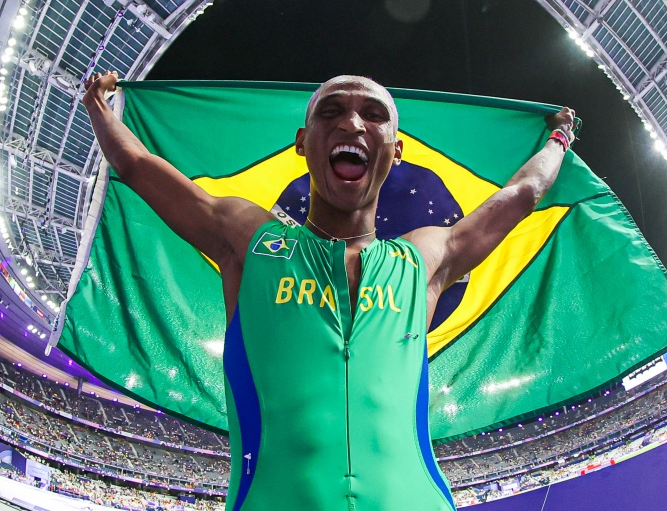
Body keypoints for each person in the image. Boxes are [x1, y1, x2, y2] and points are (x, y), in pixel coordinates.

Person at [82, 72, 575, 511]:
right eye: (332, 112)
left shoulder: (423, 259)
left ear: (396, 148)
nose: (353, 125)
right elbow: (138, 167)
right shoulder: (250, 240)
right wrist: (100, 110)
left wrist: (558, 138)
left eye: (373, 115)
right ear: (302, 141)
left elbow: (522, 195)